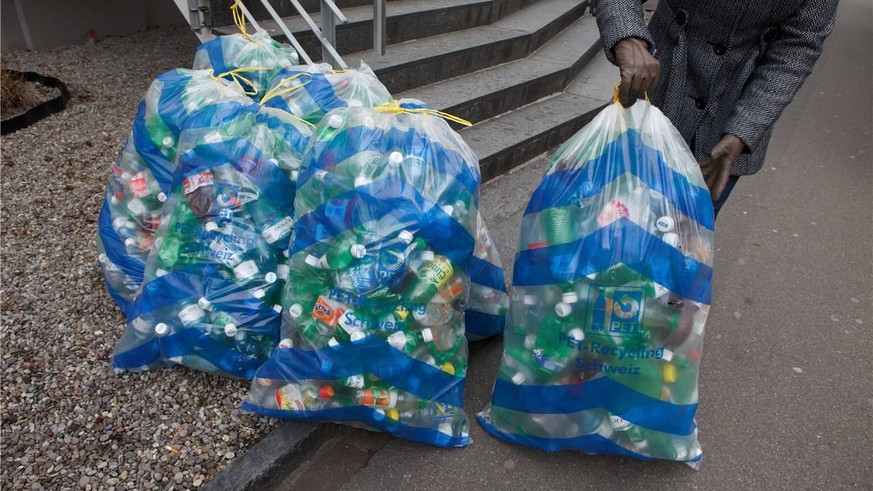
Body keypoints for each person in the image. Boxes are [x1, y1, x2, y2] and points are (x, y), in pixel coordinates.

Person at [594, 0, 839, 216]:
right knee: (602, 223)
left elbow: (798, 46)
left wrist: (745, 128)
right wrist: (627, 34)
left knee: (679, 247)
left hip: (729, 125)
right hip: (655, 96)